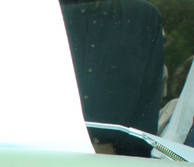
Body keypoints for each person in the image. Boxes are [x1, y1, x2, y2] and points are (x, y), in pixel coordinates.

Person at [60, 0, 164, 156]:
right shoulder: (52, 10)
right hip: (44, 150)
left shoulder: (143, 16)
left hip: (111, 157)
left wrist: (128, 158)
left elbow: (148, 100)